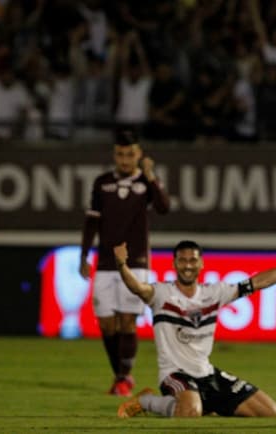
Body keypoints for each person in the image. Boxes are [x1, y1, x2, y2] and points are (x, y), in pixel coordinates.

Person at [114, 240, 276, 418]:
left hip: (207, 374)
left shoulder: (215, 293)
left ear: (201, 263)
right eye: (182, 261)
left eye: (192, 260)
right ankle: (147, 401)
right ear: (174, 263)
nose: (187, 266)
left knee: (269, 411)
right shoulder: (162, 293)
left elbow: (259, 282)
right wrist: (122, 265)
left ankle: (205, 403)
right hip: (175, 374)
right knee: (190, 413)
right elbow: (138, 288)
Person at [79, 128, 170, 397]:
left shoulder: (145, 183)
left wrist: (152, 175)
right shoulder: (102, 182)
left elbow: (164, 207)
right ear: (114, 155)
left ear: (139, 154)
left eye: (130, 154)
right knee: (107, 323)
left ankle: (122, 379)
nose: (125, 159)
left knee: (127, 321)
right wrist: (83, 255)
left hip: (136, 261)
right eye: (120, 154)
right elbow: (91, 221)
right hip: (105, 261)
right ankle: (122, 375)